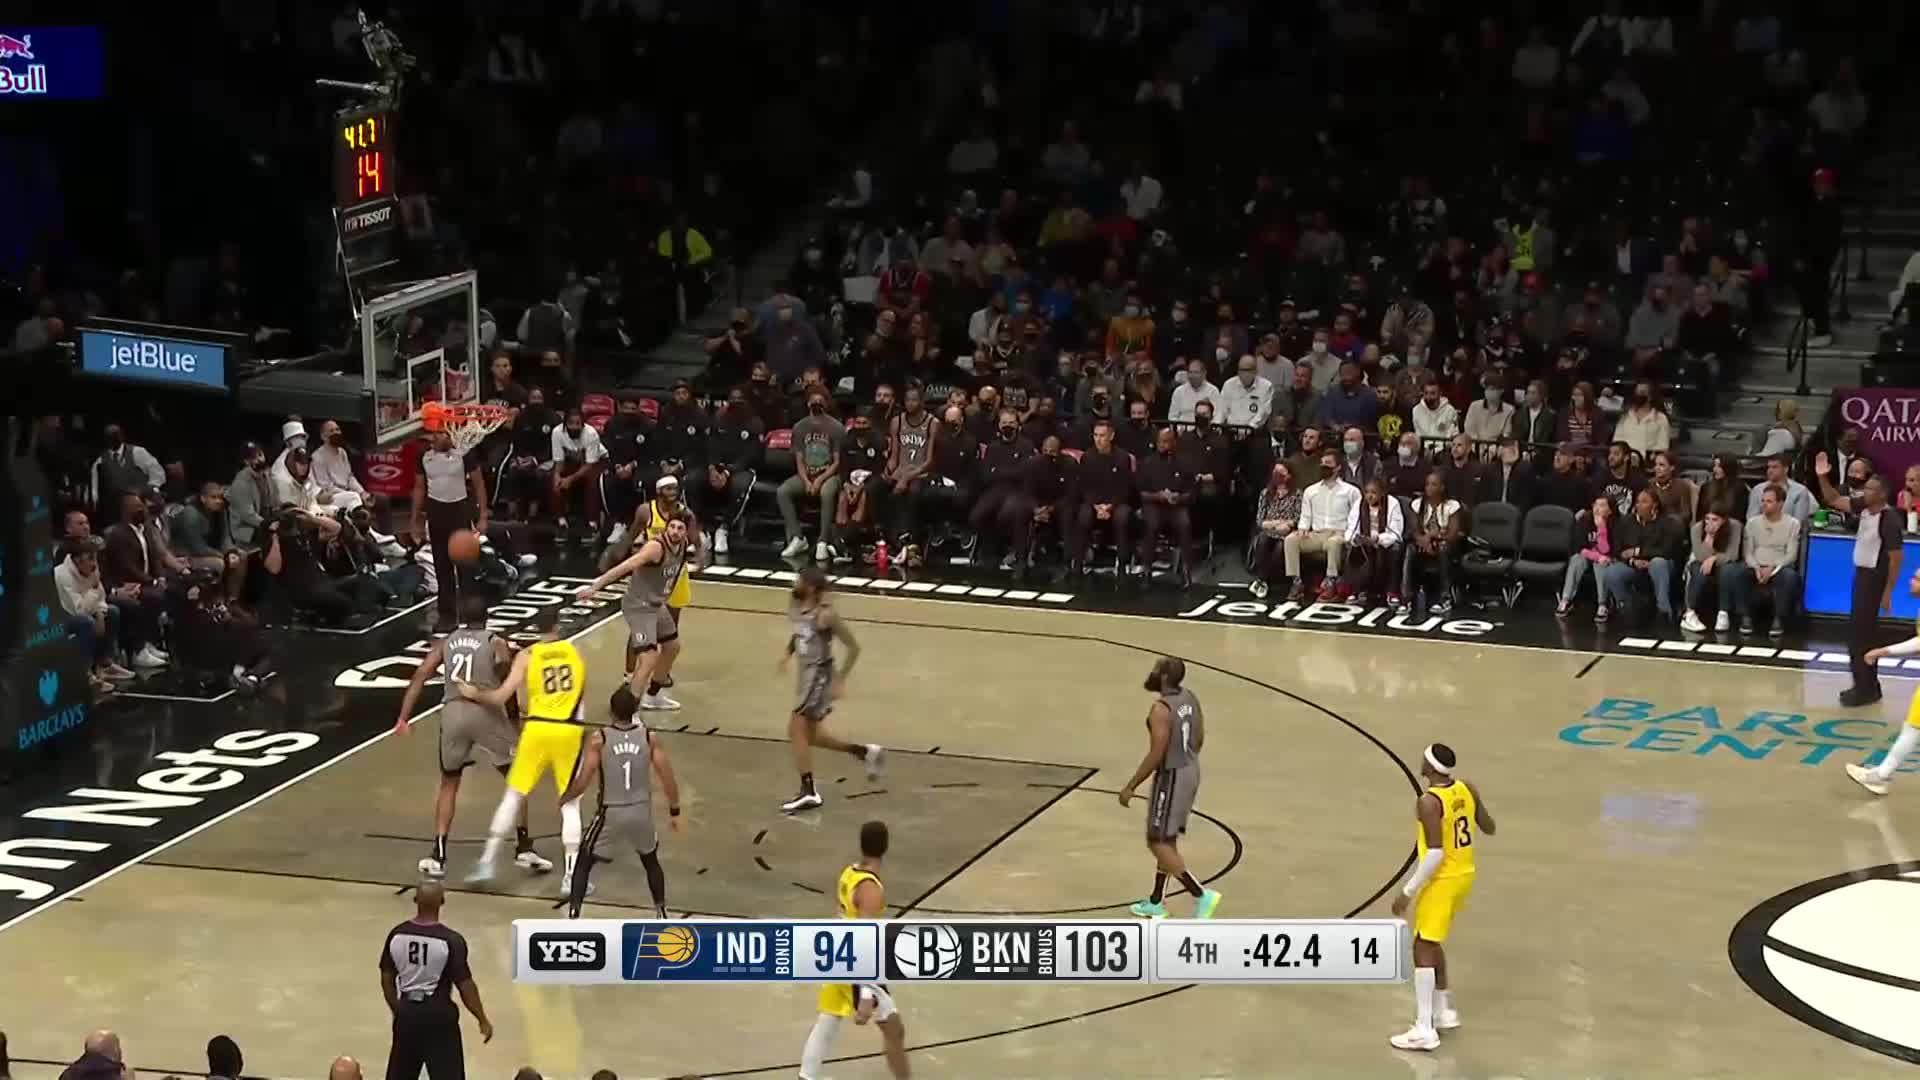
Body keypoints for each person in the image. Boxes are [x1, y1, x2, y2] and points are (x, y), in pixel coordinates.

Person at [392, 594, 551, 880]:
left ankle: (438, 855)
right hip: (485, 713)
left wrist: (403, 717)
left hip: (453, 714)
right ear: (487, 617)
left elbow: (420, 675)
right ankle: (524, 847)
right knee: (518, 778)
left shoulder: (447, 641)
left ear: (462, 618)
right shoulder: (495, 642)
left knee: (449, 783)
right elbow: (506, 684)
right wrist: (514, 720)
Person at [456, 614, 591, 889]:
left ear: (536, 628)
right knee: (570, 804)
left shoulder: (527, 656)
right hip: (568, 730)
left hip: (536, 729)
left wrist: (473, 693)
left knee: (513, 796)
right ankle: (570, 877)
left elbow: (500, 696)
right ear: (557, 625)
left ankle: (487, 862)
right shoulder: (574, 651)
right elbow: (579, 697)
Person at [1387, 742, 1494, 1052]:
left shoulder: (1428, 802)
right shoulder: (1466, 788)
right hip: (1464, 874)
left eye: (1424, 757)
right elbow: (1488, 826)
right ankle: (1444, 1011)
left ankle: (1424, 1028)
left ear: (1430, 767)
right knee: (1432, 942)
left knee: (1422, 946)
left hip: (1442, 880)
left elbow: (1434, 854)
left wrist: (1407, 892)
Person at [798, 820, 910, 1080]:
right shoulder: (870, 888)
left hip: (838, 955)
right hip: (855, 965)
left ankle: (806, 1076)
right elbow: (863, 939)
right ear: (886, 847)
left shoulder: (849, 873)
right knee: (894, 1030)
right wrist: (866, 992)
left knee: (827, 1021)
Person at [564, 685, 683, 918]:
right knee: (650, 860)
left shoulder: (600, 738)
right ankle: (661, 911)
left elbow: (583, 779)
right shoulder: (649, 737)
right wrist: (675, 811)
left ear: (611, 712)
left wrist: (565, 798)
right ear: (635, 710)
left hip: (611, 811)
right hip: (641, 810)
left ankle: (574, 914)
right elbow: (667, 776)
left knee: (584, 860)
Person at [1120, 657, 1222, 919]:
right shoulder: (1189, 697)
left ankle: (1200, 894)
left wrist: (1131, 786)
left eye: (1156, 670)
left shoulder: (1160, 709)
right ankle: (1156, 901)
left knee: (1157, 841)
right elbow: (1199, 736)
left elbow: (1157, 753)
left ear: (1164, 677)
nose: (1152, 673)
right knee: (1167, 839)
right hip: (1190, 768)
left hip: (1172, 776)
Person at [780, 568, 884, 813]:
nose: (795, 583)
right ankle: (864, 752)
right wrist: (787, 653)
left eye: (800, 580)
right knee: (811, 736)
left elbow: (854, 647)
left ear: (811, 587)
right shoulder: (796, 605)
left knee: (795, 729)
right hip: (805, 678)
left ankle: (809, 791)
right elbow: (798, 634)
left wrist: (840, 679)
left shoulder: (826, 616)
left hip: (819, 677)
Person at [1814, 451, 1903, 707]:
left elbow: (1896, 558)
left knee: (1861, 637)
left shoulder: (1889, 519)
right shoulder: (1863, 506)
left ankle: (1865, 688)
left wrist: (1888, 591)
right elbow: (1833, 499)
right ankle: (1867, 685)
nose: (1865, 491)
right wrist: (1822, 477)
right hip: (1862, 576)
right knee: (1859, 635)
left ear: (1883, 494)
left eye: (1872, 489)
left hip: (1875, 579)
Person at [380, 882, 493, 1078]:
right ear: (442, 901)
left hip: (407, 1013)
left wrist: (397, 1008)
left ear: (415, 900)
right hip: (439, 1016)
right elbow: (465, 985)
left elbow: (386, 976)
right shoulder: (450, 940)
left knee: (400, 1074)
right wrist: (482, 1019)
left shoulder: (397, 934)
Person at [580, 510, 689, 711]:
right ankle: (629, 710)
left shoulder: (683, 545)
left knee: (672, 647)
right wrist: (595, 587)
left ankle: (652, 696)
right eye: (672, 526)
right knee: (649, 658)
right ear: (666, 527)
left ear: (686, 532)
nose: (675, 531)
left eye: (680, 528)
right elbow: (625, 566)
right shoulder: (655, 548)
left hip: (656, 604)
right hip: (638, 605)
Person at [411, 417, 489, 634]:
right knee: (442, 567)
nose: (443, 437)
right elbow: (419, 488)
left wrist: (483, 515)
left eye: (446, 433)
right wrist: (415, 520)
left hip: (459, 511)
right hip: (436, 513)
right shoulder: (423, 456)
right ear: (432, 436)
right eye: (439, 433)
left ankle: (474, 615)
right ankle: (447, 616)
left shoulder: (464, 453)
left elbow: (479, 484)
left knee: (466, 566)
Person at [780, 389, 848, 560]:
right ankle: (798, 538)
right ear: (808, 403)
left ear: (827, 403)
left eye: (820, 400)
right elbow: (799, 459)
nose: (817, 404)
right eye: (813, 400)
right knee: (783, 491)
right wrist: (806, 481)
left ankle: (822, 541)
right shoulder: (799, 427)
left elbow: (837, 462)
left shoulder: (836, 427)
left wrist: (819, 480)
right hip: (807, 474)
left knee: (826, 492)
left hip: (830, 474)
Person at [1730, 483, 1804, 636]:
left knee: (1790, 577)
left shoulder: (1793, 524)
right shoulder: (1752, 523)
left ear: (1780, 504)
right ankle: (1745, 617)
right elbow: (1748, 552)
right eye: (1763, 501)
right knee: (1739, 572)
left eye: (1769, 501)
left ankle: (1779, 619)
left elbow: (1791, 554)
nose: (1764, 504)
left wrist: (1773, 568)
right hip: (1755, 565)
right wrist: (1757, 567)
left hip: (1779, 567)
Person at [1603, 488, 1685, 623]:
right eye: (1637, 502)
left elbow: (1667, 550)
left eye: (1644, 502)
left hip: (1661, 565)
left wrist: (1638, 552)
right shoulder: (1626, 522)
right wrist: (1632, 561)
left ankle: (1664, 611)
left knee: (1658, 563)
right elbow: (1618, 550)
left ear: (1655, 505)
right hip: (1634, 565)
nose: (1639, 505)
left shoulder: (1668, 522)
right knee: (1612, 572)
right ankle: (1627, 607)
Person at [1288, 448, 1358, 600]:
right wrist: (1302, 528)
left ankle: (1331, 583)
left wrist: (1347, 534)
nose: (1323, 466)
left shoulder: (1351, 491)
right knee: (1291, 540)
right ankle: (1297, 582)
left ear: (1338, 467)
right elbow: (1305, 516)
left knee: (1334, 542)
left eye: (1328, 463)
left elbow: (1356, 517)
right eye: (1322, 463)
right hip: (1317, 534)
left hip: (1339, 533)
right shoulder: (1310, 491)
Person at [1405, 472, 1466, 614]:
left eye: (1433, 484)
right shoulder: (1417, 504)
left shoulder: (1452, 505)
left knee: (1443, 548)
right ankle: (1407, 598)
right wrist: (1423, 541)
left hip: (1446, 544)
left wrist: (1433, 536)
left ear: (1442, 487)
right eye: (1427, 484)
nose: (1429, 488)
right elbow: (1414, 530)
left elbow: (1453, 534)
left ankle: (1444, 599)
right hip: (1423, 544)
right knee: (1410, 549)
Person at [1679, 506, 1742, 634]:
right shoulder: (1697, 529)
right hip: (1700, 561)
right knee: (1698, 570)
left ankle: (1723, 613)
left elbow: (1733, 554)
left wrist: (1714, 559)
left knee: (1728, 570)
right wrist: (1709, 537)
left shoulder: (1735, 526)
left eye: (1715, 519)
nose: (1709, 523)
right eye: (1707, 519)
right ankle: (1689, 614)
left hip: (1725, 563)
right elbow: (1699, 556)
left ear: (1724, 520)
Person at [1344, 478, 1405, 604]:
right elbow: (1351, 528)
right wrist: (1356, 539)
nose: (1369, 496)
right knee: (1353, 548)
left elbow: (1396, 533)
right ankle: (1357, 590)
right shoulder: (1359, 504)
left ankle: (1392, 591)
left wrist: (1377, 539)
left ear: (1382, 493)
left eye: (1373, 492)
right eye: (1367, 492)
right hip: (1364, 540)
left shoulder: (1392, 504)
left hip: (1384, 540)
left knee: (1396, 548)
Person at [1559, 496, 1618, 620]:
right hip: (1588, 555)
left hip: (1607, 558)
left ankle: (1603, 604)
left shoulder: (1616, 523)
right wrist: (1596, 556)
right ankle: (1566, 600)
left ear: (1610, 510)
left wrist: (1601, 528)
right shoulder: (1585, 519)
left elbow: (1606, 551)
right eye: (1596, 505)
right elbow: (1579, 547)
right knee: (1576, 560)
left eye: (1602, 505)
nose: (1597, 508)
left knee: (1601, 564)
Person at [1248, 463, 1300, 600]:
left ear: (1289, 476)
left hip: (1286, 533)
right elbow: (1260, 519)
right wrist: (1274, 524)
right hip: (1269, 530)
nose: (1277, 475)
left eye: (1281, 472)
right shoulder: (1266, 493)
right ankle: (1263, 581)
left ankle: (1261, 581)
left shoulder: (1297, 494)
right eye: (1275, 471)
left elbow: (1297, 518)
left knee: (1280, 548)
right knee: (1262, 541)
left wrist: (1288, 525)